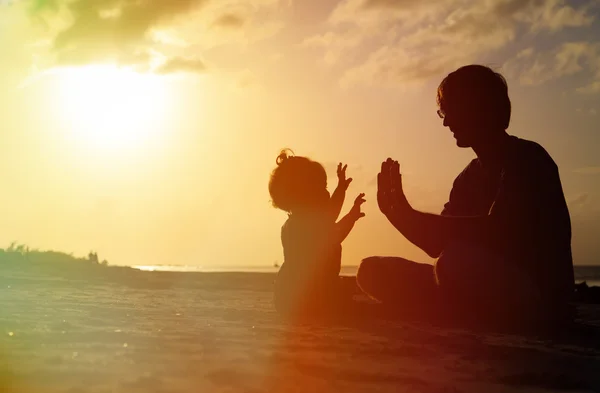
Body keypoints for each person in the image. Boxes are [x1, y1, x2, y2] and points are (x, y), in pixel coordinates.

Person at [357, 65, 575, 328]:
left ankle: (448, 307)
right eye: (443, 112)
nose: (446, 121)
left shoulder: (527, 158)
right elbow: (435, 244)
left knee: (454, 262)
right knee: (372, 271)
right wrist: (397, 214)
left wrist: (411, 214)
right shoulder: (466, 178)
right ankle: (449, 305)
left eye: (450, 109)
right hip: (472, 278)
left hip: (538, 295)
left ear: (479, 107)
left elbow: (499, 230)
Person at [268, 149, 366, 320]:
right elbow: (335, 233)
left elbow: (330, 214)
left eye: (325, 187)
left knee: (344, 288)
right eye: (321, 188)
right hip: (308, 297)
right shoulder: (301, 226)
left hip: (288, 298)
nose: (326, 192)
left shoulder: (301, 222)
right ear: (301, 195)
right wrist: (351, 217)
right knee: (345, 296)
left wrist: (341, 188)